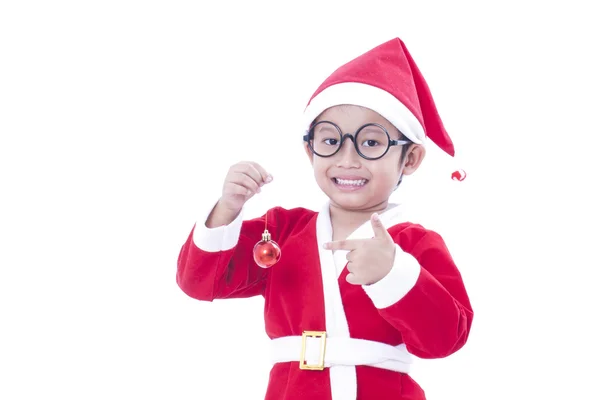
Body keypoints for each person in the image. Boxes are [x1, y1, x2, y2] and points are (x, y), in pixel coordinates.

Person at [176, 37, 474, 400]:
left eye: (370, 143)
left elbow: (445, 339)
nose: (347, 159)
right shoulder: (281, 232)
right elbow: (201, 283)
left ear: (409, 159)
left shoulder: (415, 244)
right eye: (330, 141)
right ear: (309, 149)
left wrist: (393, 274)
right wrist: (228, 208)